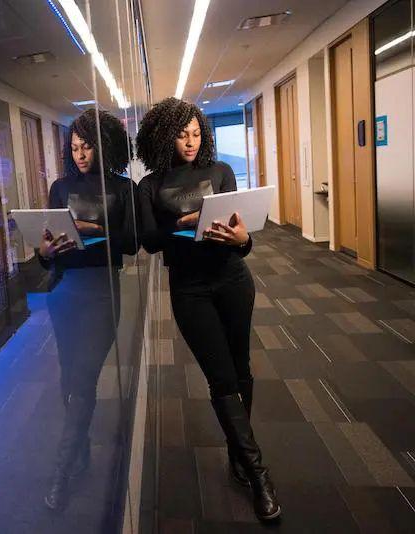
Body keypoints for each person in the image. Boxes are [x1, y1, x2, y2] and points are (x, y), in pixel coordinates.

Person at [135, 97, 281, 521]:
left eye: (197, 133)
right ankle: (258, 475)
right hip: (189, 288)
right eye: (182, 134)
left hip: (233, 279)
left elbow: (243, 235)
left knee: (241, 369)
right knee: (220, 379)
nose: (191, 142)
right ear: (165, 136)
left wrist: (243, 241)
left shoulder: (221, 172)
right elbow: (149, 240)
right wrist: (183, 223)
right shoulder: (150, 185)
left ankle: (238, 455)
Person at [38, 109, 137, 510]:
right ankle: (80, 450)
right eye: (75, 147)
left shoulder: (122, 187)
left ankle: (62, 471)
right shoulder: (59, 188)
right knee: (69, 379)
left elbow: (131, 245)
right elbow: (47, 252)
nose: (80, 154)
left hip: (101, 293)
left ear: (103, 144)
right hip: (64, 292)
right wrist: (44, 252)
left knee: (84, 379)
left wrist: (95, 230)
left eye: (87, 146)